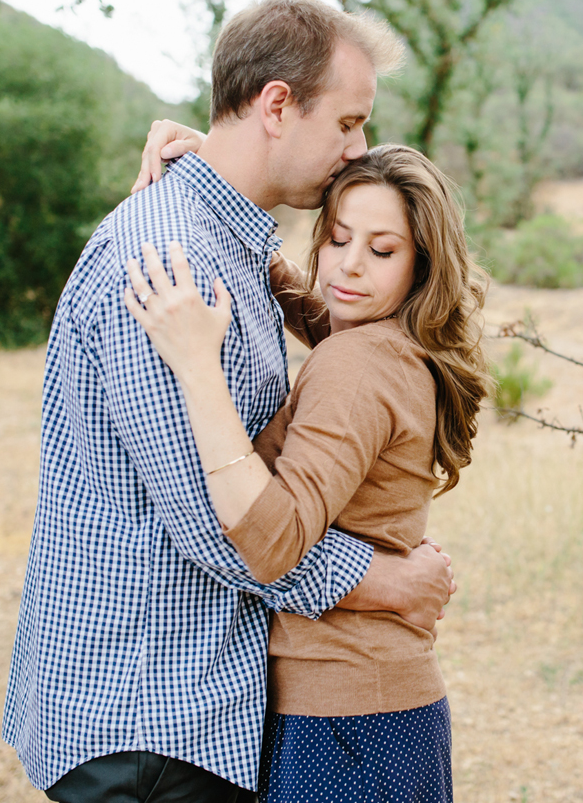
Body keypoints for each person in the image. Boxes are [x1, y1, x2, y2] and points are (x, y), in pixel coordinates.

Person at [3, 0, 457, 803]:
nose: (357, 152)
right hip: (150, 716)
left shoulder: (229, 242)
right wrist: (382, 582)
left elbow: (356, 358)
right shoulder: (166, 261)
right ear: (278, 105)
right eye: (348, 124)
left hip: (194, 710)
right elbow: (222, 527)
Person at [123, 144, 486, 802]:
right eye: (339, 238)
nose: (349, 265)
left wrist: (198, 365)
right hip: (377, 708)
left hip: (346, 720)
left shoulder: (353, 365)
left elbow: (271, 539)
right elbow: (321, 304)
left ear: (420, 267)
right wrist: (214, 161)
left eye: (382, 250)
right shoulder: (392, 347)